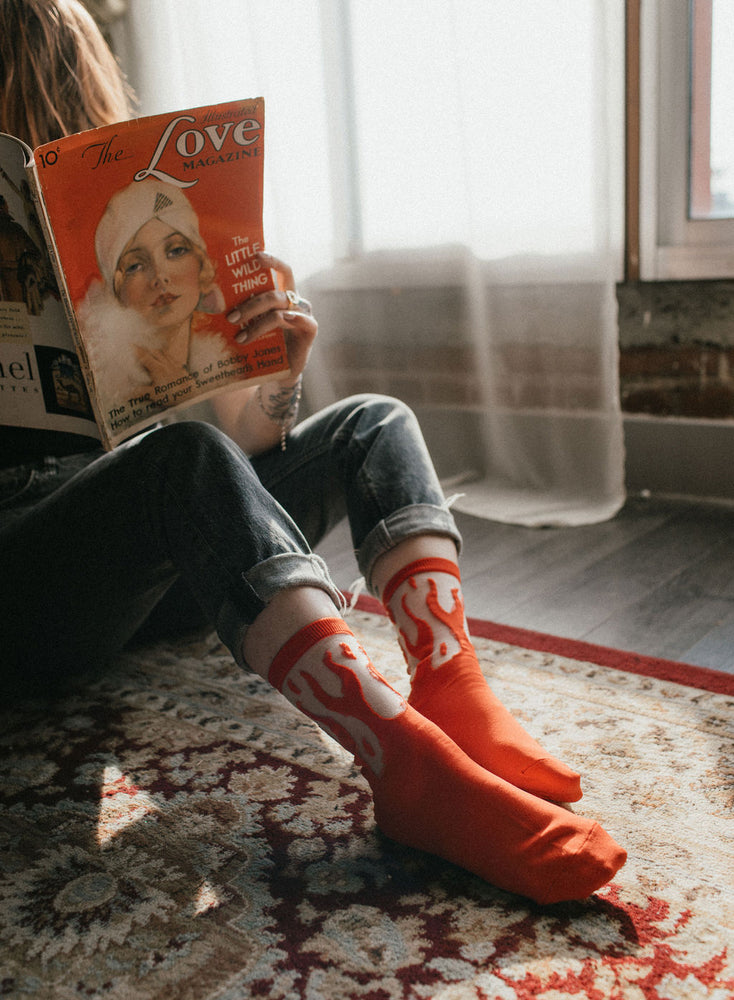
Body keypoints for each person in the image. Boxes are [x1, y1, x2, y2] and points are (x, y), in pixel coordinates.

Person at [0, 0, 626, 906]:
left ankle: (452, 692)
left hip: (147, 564)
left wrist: (276, 374)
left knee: (372, 420)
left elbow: (233, 453)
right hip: (28, 581)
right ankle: (407, 765)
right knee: (177, 459)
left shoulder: (124, 249)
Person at [80, 178, 228, 409]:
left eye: (176, 250)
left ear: (201, 264)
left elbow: (250, 436)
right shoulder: (109, 383)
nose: (159, 276)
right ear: (117, 292)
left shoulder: (216, 361)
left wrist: (291, 372)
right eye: (134, 266)